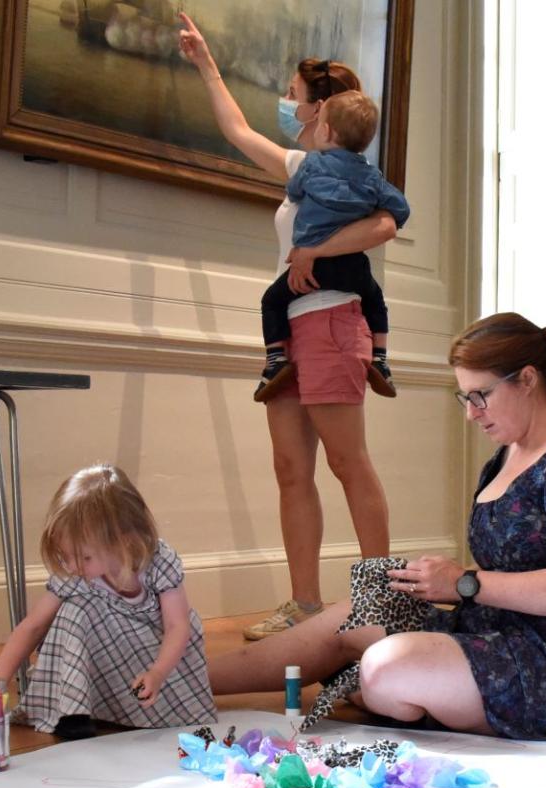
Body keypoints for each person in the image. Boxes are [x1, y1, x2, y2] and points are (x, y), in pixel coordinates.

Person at [208, 313, 546, 739]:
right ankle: (190, 680)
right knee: (367, 603)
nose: (471, 412)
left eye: (481, 396)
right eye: (464, 397)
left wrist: (464, 583)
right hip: (498, 631)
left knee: (387, 667)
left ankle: (386, 689)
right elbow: (516, 560)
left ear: (528, 380)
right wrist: (435, 583)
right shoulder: (507, 453)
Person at [178, 13, 393, 641]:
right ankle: (303, 603)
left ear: (319, 109)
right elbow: (237, 129)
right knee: (290, 468)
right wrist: (205, 64)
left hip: (331, 323)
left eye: (294, 96)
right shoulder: (302, 168)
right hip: (292, 330)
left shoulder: (355, 176)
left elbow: (385, 227)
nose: (286, 102)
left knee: (348, 462)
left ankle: (379, 604)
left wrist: (313, 255)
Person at [0, 464, 215, 739]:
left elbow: (177, 626)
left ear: (124, 541)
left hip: (157, 658)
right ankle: (73, 713)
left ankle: (150, 710)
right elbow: (33, 626)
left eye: (84, 557)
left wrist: (157, 673)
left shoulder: (157, 561)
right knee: (73, 610)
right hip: (108, 667)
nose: (73, 566)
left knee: (83, 608)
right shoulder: (76, 575)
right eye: (66, 556)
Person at [258, 86, 409, 403]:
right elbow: (400, 210)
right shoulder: (372, 177)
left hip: (313, 273)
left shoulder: (312, 166)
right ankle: (380, 357)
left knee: (272, 301)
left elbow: (295, 191)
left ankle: (275, 361)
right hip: (352, 268)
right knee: (375, 298)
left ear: (324, 129)